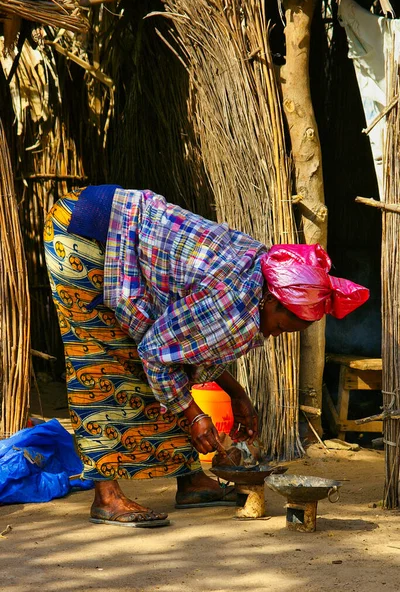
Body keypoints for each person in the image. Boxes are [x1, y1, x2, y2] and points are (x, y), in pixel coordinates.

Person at [43, 185, 369, 528]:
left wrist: (236, 392)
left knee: (168, 372)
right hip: (86, 234)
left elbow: (188, 345)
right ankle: (106, 497)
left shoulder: (259, 277)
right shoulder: (231, 299)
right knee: (101, 360)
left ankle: (191, 481)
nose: (277, 334)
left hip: (121, 236)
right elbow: (158, 352)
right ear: (271, 301)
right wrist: (195, 415)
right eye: (283, 325)